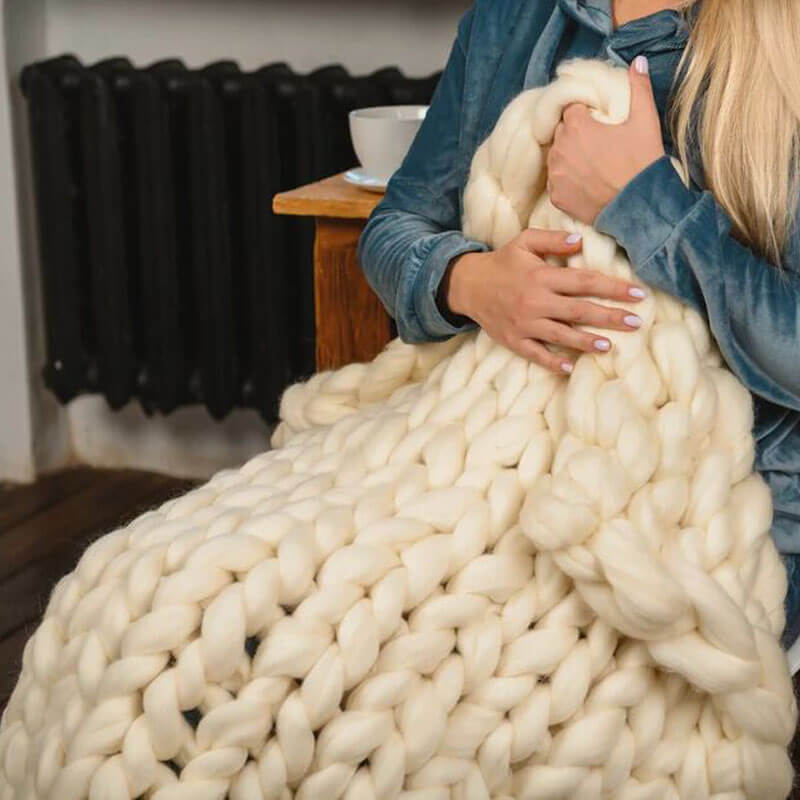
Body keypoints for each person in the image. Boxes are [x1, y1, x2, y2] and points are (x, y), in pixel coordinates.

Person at [357, 0, 800, 654]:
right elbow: (394, 226)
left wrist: (644, 200)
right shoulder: (509, 20)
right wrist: (471, 282)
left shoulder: (783, 42)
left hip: (730, 508)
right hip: (494, 457)